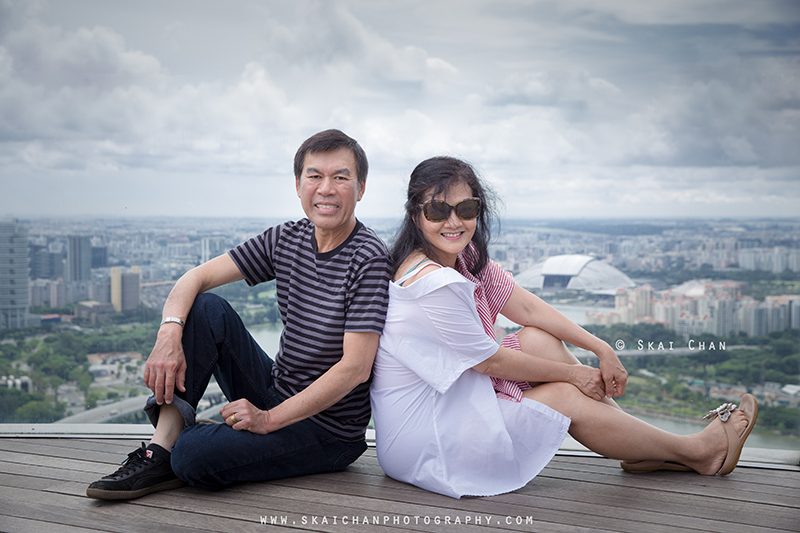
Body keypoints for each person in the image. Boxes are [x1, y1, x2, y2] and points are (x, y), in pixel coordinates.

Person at [370, 156, 758, 499]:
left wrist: (601, 347)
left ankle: (642, 447)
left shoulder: (461, 256)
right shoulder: (432, 283)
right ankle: (698, 453)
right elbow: (489, 362)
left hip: (454, 405)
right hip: (429, 438)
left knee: (538, 339)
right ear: (416, 214)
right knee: (567, 395)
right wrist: (575, 374)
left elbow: (525, 307)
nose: (454, 222)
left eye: (466, 208)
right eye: (438, 211)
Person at [87, 129, 392, 500]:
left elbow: (355, 368)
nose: (326, 188)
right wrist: (168, 336)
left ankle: (181, 450)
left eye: (341, 177)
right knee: (205, 308)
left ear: (360, 188)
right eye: (315, 176)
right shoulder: (287, 238)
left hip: (326, 431)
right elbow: (195, 278)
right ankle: (159, 450)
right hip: (277, 390)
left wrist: (267, 420)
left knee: (193, 456)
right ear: (298, 185)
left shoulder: (368, 258)